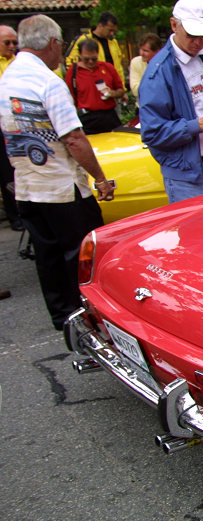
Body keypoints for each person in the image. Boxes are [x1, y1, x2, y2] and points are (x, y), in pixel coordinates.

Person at [0, 14, 115, 330]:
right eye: (62, 44)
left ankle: (62, 315)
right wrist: (100, 178)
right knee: (82, 255)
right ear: (53, 43)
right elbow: (74, 138)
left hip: (27, 185)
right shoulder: (48, 82)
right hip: (62, 188)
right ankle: (90, 316)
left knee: (47, 254)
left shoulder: (7, 78)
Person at [139, 0, 203, 204]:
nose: (198, 42)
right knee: (197, 226)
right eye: (192, 35)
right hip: (187, 178)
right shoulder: (159, 72)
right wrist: (199, 125)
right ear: (174, 25)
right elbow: (152, 133)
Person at [64, 39, 125, 134]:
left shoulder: (107, 67)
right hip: (87, 118)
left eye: (94, 59)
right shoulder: (73, 72)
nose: (90, 62)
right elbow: (70, 99)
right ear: (80, 55)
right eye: (86, 59)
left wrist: (112, 93)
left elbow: (121, 91)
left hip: (109, 116)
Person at [65, 11, 126, 93]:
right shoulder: (84, 39)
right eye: (110, 30)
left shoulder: (113, 42)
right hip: (90, 89)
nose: (112, 33)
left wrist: (122, 88)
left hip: (112, 90)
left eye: (114, 31)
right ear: (100, 25)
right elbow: (70, 63)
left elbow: (119, 68)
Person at [0, 24, 21, 231]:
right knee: (5, 172)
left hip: (18, 124)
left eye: (15, 42)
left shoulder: (18, 63)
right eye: (7, 42)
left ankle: (21, 211)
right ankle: (13, 215)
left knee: (17, 168)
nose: (12, 46)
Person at [129, 33, 162, 105]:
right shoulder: (136, 62)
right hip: (143, 106)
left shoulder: (165, 63)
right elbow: (135, 90)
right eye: (140, 49)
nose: (141, 53)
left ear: (157, 52)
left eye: (146, 51)